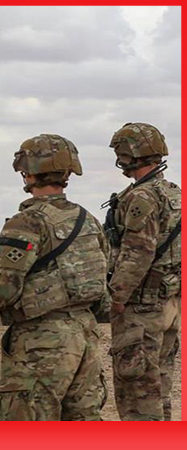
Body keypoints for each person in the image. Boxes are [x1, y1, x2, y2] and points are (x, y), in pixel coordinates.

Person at [0, 134, 108, 421]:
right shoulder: (87, 220)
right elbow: (104, 270)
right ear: (68, 172)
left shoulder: (28, 220)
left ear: (27, 172)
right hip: (86, 336)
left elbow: (4, 285)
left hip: (41, 341)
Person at [104, 123, 181, 421]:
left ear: (129, 155)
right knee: (159, 385)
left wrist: (117, 297)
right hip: (169, 302)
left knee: (137, 391)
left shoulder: (142, 197)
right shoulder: (174, 194)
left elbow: (138, 252)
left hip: (142, 306)